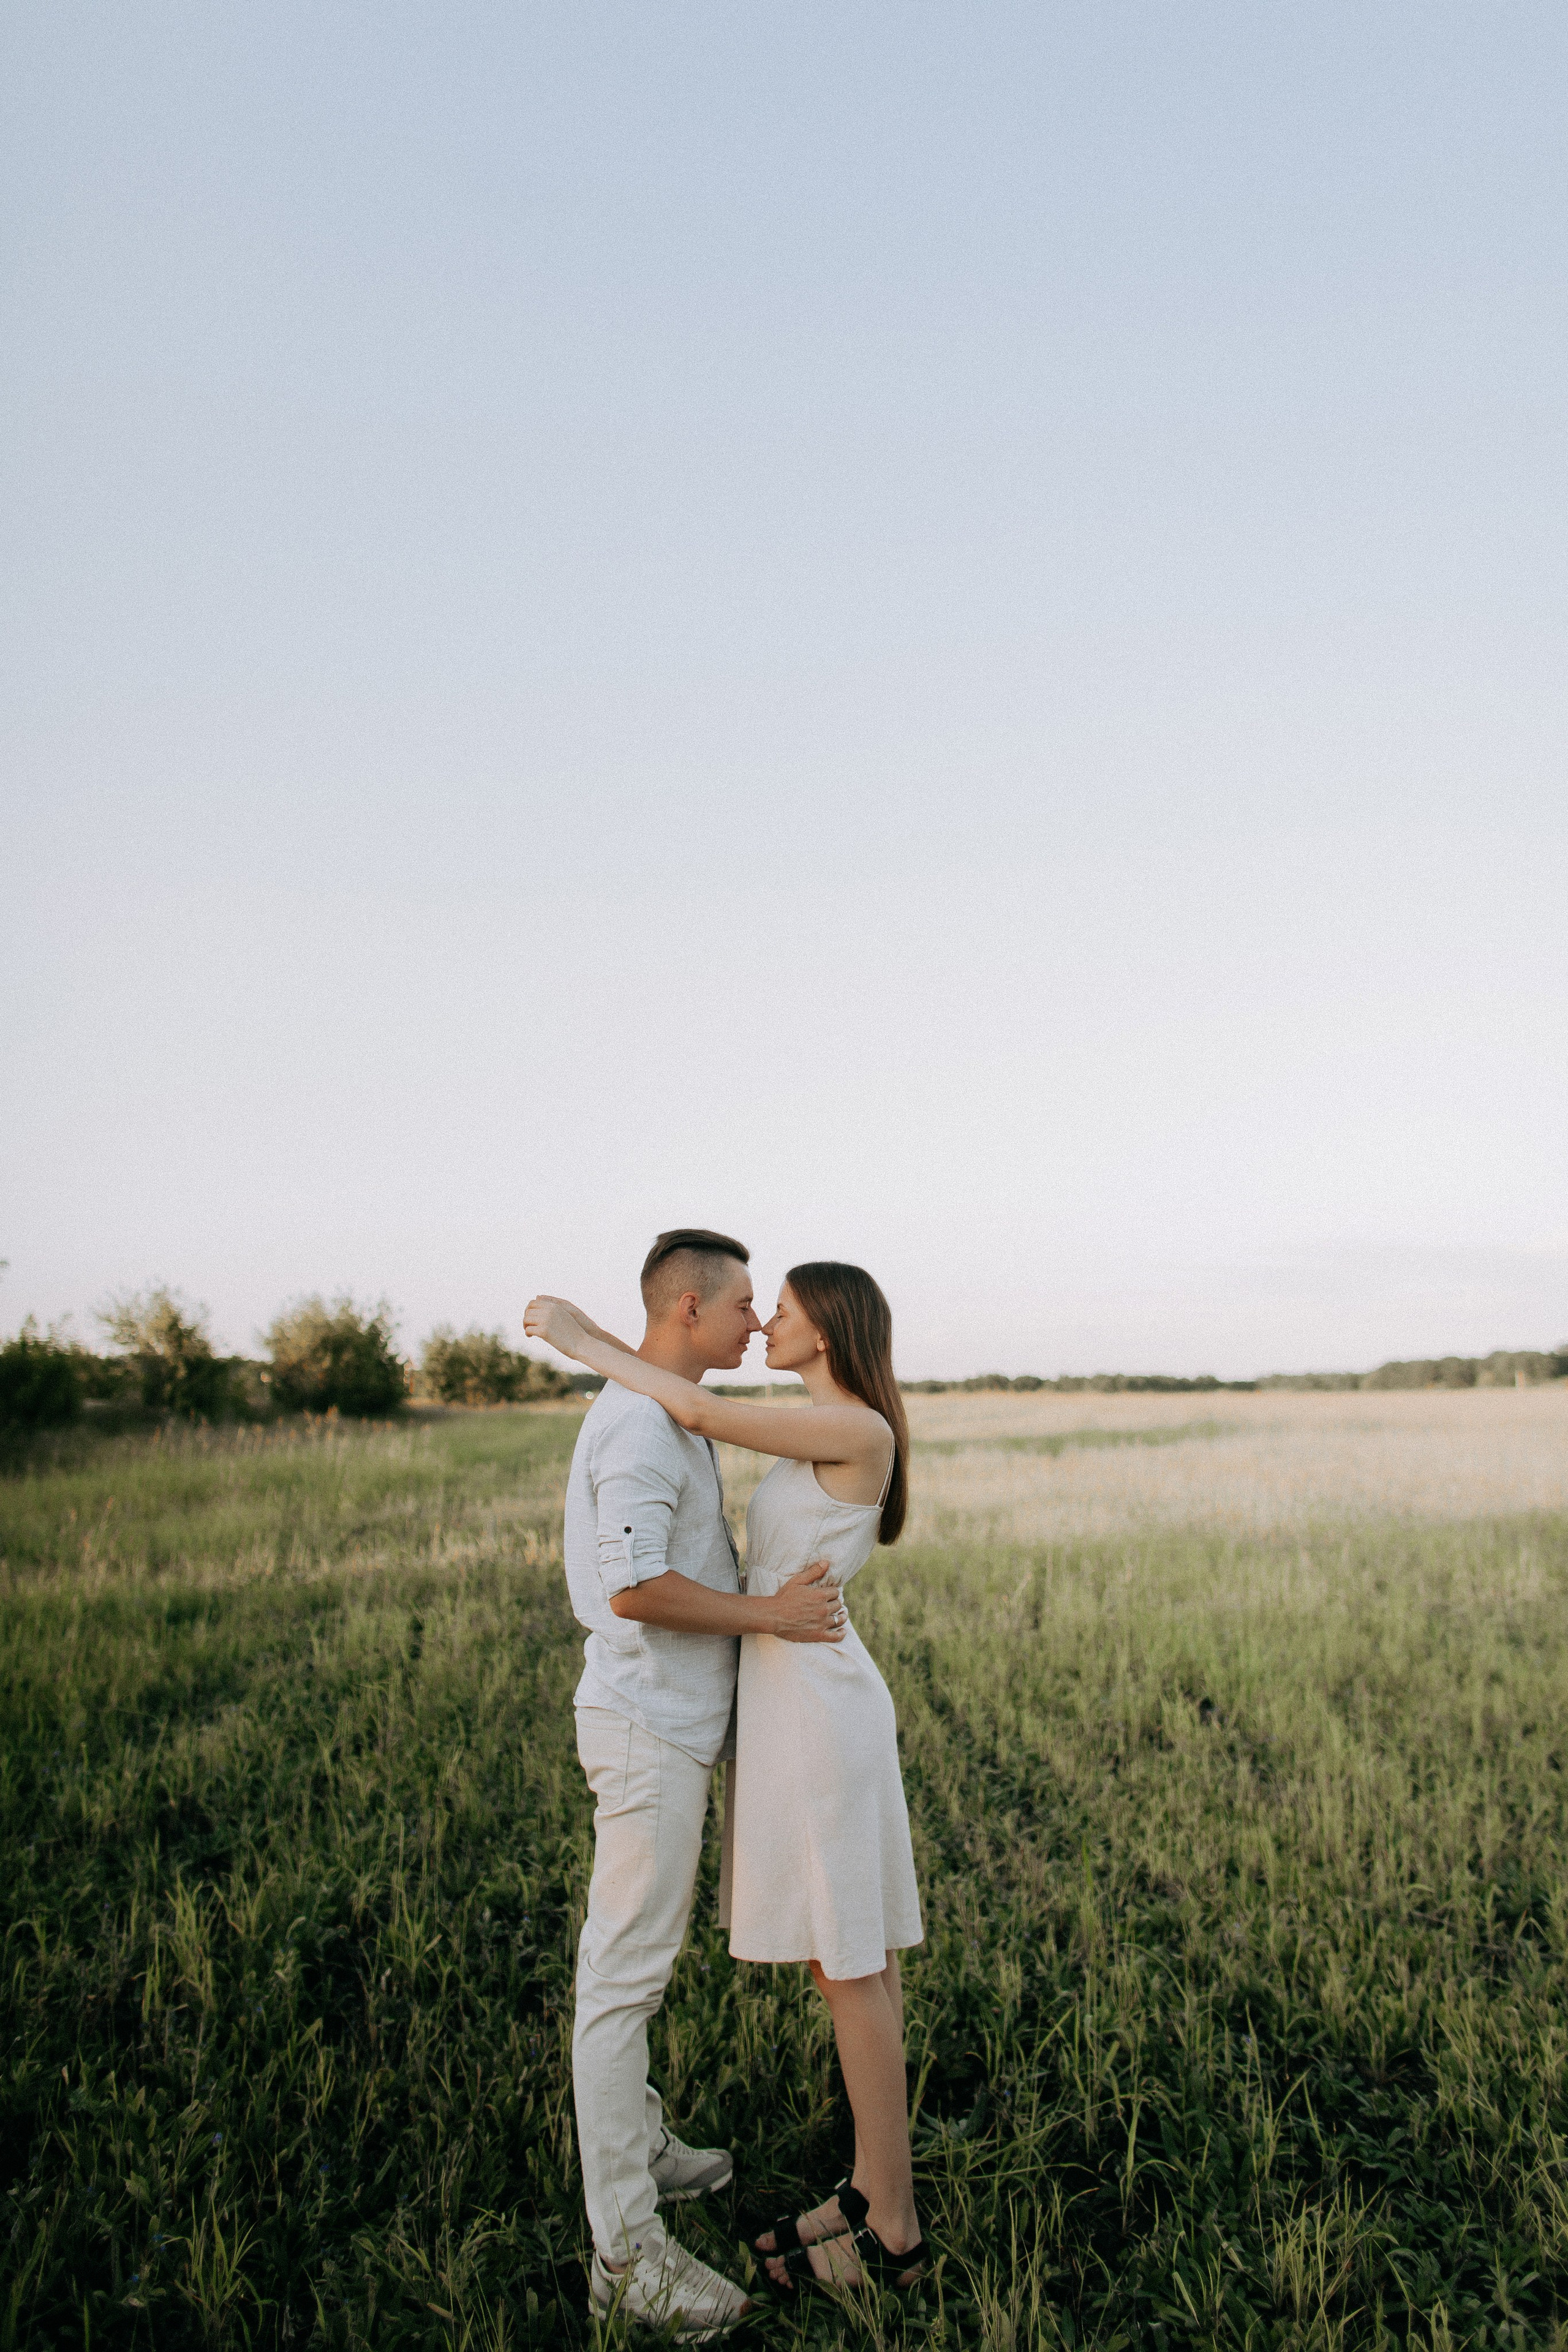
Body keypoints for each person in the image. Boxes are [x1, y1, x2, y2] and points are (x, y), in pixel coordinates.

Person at [527, 1256, 928, 2307]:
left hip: (820, 1709)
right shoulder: (820, 1424)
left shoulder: (860, 1431)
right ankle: (874, 2192)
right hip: (793, 1705)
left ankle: (890, 2222)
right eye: (755, 1303)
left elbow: (697, 1406)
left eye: (782, 1308)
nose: (767, 1322)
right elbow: (693, 1411)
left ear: (829, 1328)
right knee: (849, 1963)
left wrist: (583, 1341)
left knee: (852, 1964)